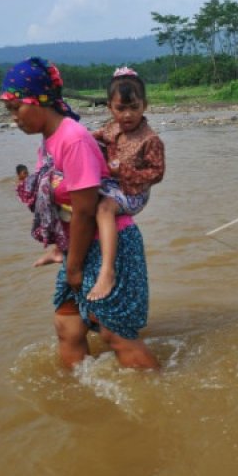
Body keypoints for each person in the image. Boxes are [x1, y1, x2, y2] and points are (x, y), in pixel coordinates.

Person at [1, 57, 158, 369]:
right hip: (80, 245)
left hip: (107, 241)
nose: (14, 118)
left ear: (39, 100)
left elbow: (86, 211)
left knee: (115, 334)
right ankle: (81, 399)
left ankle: (159, 400)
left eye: (17, 107)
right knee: (67, 325)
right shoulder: (50, 140)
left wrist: (73, 268)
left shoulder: (72, 139)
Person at [87, 67, 165, 301]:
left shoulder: (150, 139)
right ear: (110, 107)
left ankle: (107, 271)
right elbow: (91, 138)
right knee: (74, 193)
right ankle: (60, 247)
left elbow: (157, 173)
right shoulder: (111, 127)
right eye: (121, 109)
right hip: (112, 183)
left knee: (104, 208)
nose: (128, 115)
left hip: (133, 192)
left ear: (145, 106)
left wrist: (124, 170)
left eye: (134, 108)